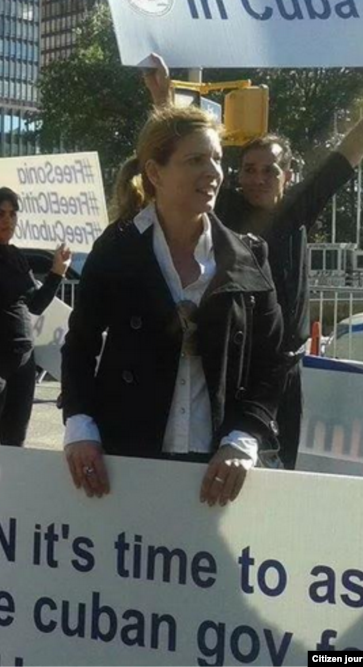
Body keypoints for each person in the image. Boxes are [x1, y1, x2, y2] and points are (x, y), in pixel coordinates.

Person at [145, 56, 363, 467]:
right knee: (218, 470)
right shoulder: (220, 207)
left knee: (281, 473)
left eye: (269, 170)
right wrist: (161, 97)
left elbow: (347, 154)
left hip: (281, 374)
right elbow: (180, 155)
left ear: (288, 176)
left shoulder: (298, 209)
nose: (257, 178)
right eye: (249, 169)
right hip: (231, 366)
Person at [61, 105, 285, 506]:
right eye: (196, 159)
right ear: (155, 173)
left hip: (218, 466)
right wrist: (80, 429)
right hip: (126, 460)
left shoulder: (248, 257)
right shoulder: (116, 250)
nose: (214, 172)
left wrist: (243, 437)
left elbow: (270, 360)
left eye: (217, 158)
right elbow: (80, 346)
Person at [0, 188, 71, 447]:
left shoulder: (17, 255)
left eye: (13, 214)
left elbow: (37, 305)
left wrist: (57, 272)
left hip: (23, 362)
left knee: (15, 442)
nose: (8, 220)